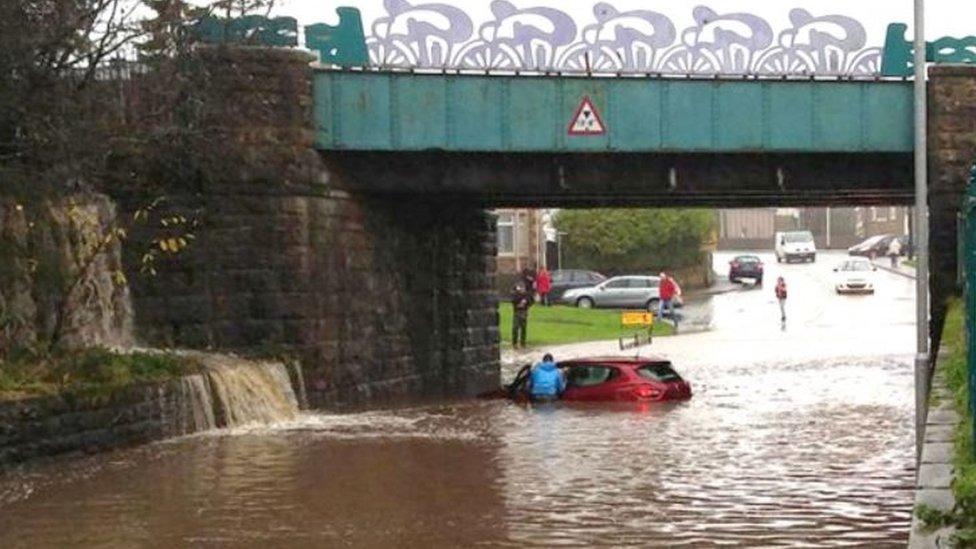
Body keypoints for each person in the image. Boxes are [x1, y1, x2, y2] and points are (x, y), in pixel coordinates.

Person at [511, 282, 532, 348]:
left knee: (523, 328)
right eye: (521, 288)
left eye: (523, 288)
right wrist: (521, 301)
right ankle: (515, 343)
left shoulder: (527, 295)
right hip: (517, 312)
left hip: (524, 312)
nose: (522, 290)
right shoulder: (516, 295)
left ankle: (523, 343)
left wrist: (526, 301)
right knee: (515, 328)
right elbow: (513, 301)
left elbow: (531, 301)